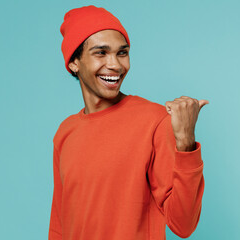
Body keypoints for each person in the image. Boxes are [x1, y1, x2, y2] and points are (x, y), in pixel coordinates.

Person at [48, 5, 208, 240]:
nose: (115, 65)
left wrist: (185, 144)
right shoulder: (65, 132)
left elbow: (183, 224)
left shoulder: (154, 121)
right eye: (101, 53)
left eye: (122, 53)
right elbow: (59, 225)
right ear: (74, 62)